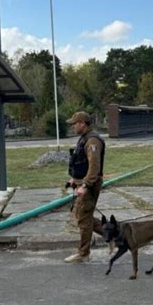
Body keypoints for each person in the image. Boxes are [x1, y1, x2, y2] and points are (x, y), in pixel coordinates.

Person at [64, 111, 105, 263]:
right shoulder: (84, 139)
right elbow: (82, 163)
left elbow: (94, 166)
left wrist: (85, 185)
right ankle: (114, 235)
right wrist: (74, 179)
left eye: (75, 124)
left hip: (89, 185)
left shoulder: (92, 141)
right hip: (82, 182)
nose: (73, 126)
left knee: (83, 218)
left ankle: (83, 253)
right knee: (83, 216)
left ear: (82, 123)